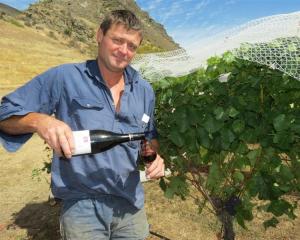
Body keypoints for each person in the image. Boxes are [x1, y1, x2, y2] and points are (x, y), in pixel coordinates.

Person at [0, 9, 165, 240]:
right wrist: (40, 121)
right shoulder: (65, 77)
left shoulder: (145, 90)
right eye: (117, 40)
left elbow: (148, 137)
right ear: (99, 35)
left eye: (132, 46)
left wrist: (154, 156)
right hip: (82, 205)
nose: (124, 51)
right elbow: (4, 114)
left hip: (130, 203)